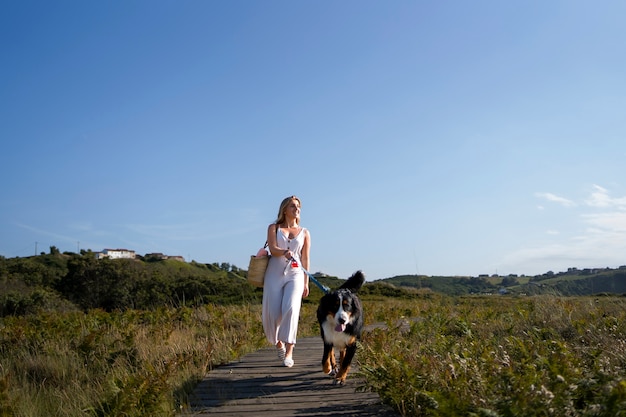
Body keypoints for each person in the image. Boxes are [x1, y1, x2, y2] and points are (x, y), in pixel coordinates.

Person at [262, 195, 311, 367]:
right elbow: (274, 248)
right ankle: (278, 343)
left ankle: (289, 352)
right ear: (284, 209)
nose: (296, 209)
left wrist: (306, 282)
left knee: (291, 308)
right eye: (292, 206)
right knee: (273, 314)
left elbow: (305, 259)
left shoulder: (305, 232)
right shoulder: (273, 228)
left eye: (298, 206)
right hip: (274, 273)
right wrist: (284, 252)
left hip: (296, 274)